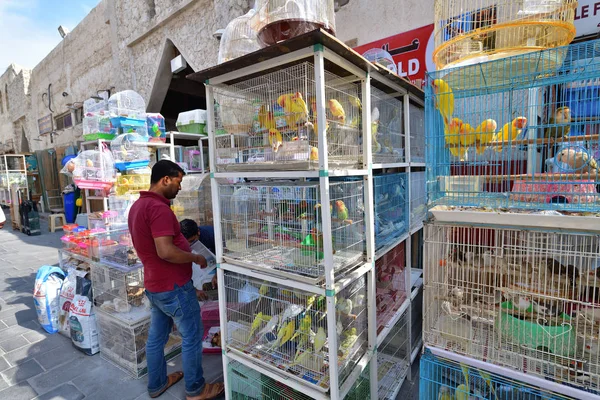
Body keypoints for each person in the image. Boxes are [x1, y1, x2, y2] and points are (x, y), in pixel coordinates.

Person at [128, 160, 224, 400]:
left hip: (155, 285)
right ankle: (196, 389)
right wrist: (194, 257)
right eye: (178, 181)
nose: (180, 187)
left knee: (156, 338)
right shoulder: (158, 209)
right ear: (166, 179)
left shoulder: (138, 206)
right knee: (192, 336)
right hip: (173, 287)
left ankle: (157, 383)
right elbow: (165, 251)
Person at [180, 219, 217, 301]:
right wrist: (194, 290)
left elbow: (221, 256)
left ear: (198, 232)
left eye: (192, 241)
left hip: (211, 267)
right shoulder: (178, 242)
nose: (189, 245)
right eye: (186, 243)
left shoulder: (212, 235)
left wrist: (217, 274)